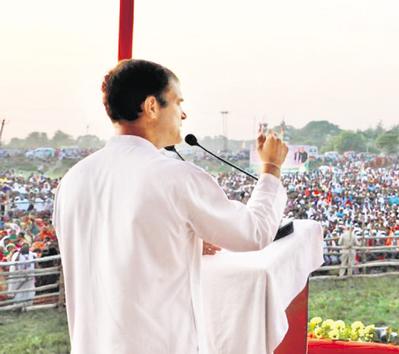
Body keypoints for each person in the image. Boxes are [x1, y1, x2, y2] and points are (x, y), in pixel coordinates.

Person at [52, 59, 289, 354]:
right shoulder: (175, 176)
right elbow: (254, 233)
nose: (184, 113)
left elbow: (114, 243)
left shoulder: (73, 179)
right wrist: (271, 168)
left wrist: (181, 239)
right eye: (178, 102)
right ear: (152, 106)